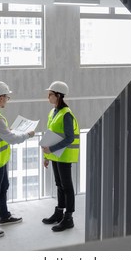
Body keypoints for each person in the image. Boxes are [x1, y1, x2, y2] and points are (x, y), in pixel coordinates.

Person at [0, 81, 35, 237]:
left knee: (3, 187)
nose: (7, 101)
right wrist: (28, 135)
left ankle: (4, 216)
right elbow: (12, 139)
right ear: (1, 98)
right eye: (7, 98)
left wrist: (7, 131)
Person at [41, 81, 80, 232]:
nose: (48, 97)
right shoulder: (53, 112)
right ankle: (59, 213)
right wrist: (47, 156)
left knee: (67, 186)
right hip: (55, 156)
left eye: (50, 94)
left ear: (58, 96)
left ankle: (68, 218)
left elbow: (69, 138)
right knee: (59, 185)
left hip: (64, 156)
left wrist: (51, 149)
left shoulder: (66, 114)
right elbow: (51, 135)